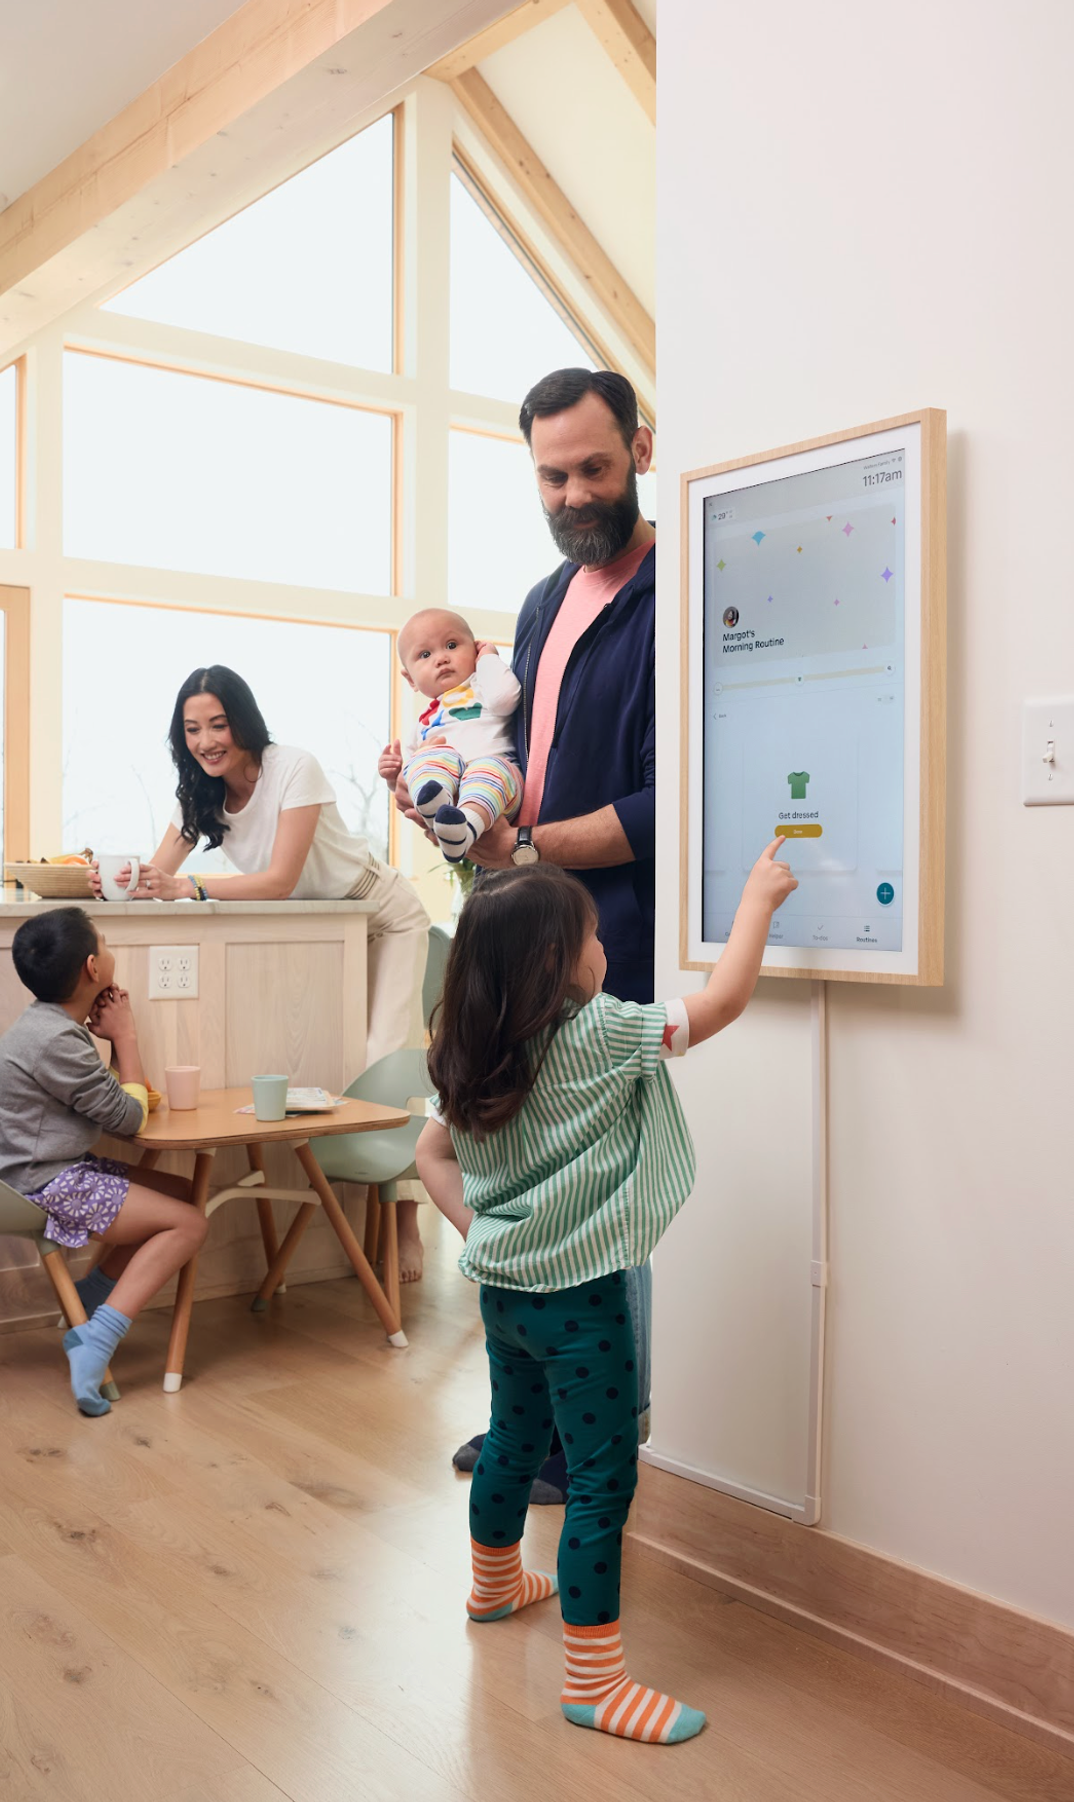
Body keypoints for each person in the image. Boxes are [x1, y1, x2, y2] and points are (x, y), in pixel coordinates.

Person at [416, 847, 796, 1744]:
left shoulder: (463, 1050)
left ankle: (494, 1583)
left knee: (512, 1438)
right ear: (555, 963)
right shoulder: (603, 1032)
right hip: (583, 1300)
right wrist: (756, 903)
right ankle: (595, 1683)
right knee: (600, 1479)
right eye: (591, 939)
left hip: (505, 1296)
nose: (605, 953)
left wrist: (485, 1234)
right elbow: (723, 1003)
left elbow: (431, 1158)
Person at [430, 367, 659, 1494]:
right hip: (523, 940)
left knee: (596, 1204)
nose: (574, 493)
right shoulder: (537, 601)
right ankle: (528, 1418)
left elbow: (679, 804)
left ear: (641, 450)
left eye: (594, 468)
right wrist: (456, 804)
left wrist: (525, 848)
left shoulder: (674, 592)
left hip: (608, 947)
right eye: (552, 474)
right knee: (522, 1180)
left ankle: (589, 1431)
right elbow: (510, 763)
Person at [96, 664, 432, 1283]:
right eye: (193, 729)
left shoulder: (292, 768)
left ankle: (405, 1217)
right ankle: (355, 1227)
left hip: (380, 916)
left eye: (218, 724)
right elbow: (158, 874)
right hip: (321, 932)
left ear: (242, 721)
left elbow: (278, 881)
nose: (206, 741)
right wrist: (121, 881)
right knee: (333, 1069)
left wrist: (187, 886)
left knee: (383, 1060)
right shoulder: (198, 791)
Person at [0, 907, 208, 1417]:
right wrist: (125, 1036)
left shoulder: (51, 1027)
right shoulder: (57, 1041)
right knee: (190, 1224)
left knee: (182, 1197)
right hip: (40, 1183)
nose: (109, 947)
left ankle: (90, 1297)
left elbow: (117, 1102)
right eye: (103, 941)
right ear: (92, 969)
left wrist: (115, 1052)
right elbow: (129, 1118)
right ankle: (97, 1338)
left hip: (44, 1169)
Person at [378, 608, 522, 865]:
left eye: (452, 645)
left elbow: (505, 700)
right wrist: (394, 776)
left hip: (500, 788)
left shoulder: (484, 685)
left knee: (487, 768)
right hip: (452, 794)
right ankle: (444, 814)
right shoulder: (423, 722)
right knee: (428, 757)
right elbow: (407, 784)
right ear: (410, 679)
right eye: (425, 654)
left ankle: (465, 828)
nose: (441, 658)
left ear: (475, 650)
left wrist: (488, 658)